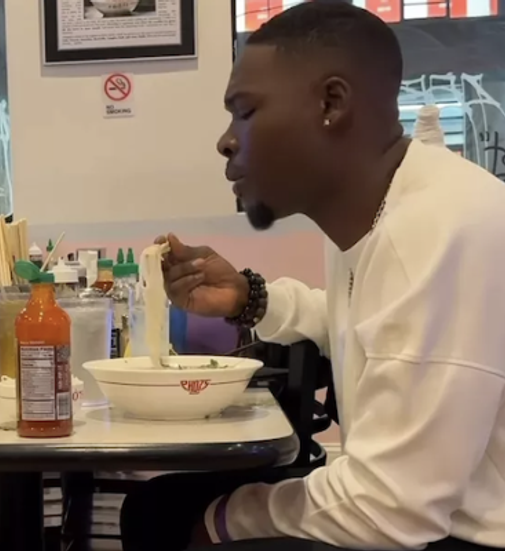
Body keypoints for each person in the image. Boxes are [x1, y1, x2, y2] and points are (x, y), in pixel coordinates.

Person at [119, 3, 505, 551]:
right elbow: (374, 325)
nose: (226, 141)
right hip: (428, 508)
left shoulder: (437, 227)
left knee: (179, 521)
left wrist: (223, 521)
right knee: (156, 510)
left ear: (331, 103)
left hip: (461, 532)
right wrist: (250, 299)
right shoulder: (385, 209)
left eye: (245, 112)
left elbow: (393, 509)